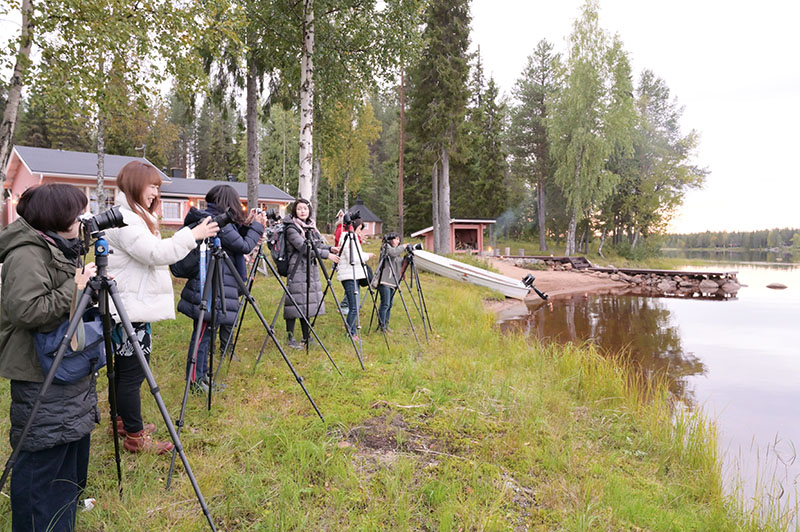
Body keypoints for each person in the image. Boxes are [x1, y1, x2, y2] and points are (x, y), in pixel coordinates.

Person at [0, 184, 98, 531]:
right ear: (56, 217)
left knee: (65, 458)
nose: (81, 219)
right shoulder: (27, 252)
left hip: (62, 364)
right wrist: (77, 286)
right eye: (76, 213)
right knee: (42, 459)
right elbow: (25, 310)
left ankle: (60, 522)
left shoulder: (58, 244)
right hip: (37, 368)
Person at [105, 161, 218, 454]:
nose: (156, 192)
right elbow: (156, 253)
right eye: (152, 185)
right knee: (133, 373)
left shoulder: (130, 215)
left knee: (124, 371)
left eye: (158, 186)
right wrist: (192, 235)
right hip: (129, 307)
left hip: (128, 303)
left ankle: (121, 420)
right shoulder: (126, 220)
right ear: (133, 185)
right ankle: (134, 435)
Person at [177, 184, 265, 393]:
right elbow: (243, 246)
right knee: (202, 335)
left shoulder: (217, 219)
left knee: (207, 334)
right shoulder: (215, 222)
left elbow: (234, 240)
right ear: (228, 202)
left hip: (214, 284)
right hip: (210, 286)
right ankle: (196, 381)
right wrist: (257, 227)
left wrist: (248, 224)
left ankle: (204, 377)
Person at [283, 198, 339, 349]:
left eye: (305, 209)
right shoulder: (291, 228)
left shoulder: (311, 227)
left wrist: (329, 249)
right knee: (294, 303)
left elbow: (317, 244)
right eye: (300, 208)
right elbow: (304, 247)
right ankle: (290, 337)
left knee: (306, 302)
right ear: (295, 210)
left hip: (310, 268)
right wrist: (326, 255)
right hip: (296, 268)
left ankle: (306, 336)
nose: (302, 211)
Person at [336, 219, 374, 340]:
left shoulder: (353, 238)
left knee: (355, 306)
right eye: (359, 229)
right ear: (354, 227)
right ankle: (351, 333)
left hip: (353, 275)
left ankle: (351, 332)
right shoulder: (348, 238)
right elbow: (353, 258)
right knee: (354, 306)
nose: (360, 231)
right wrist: (367, 255)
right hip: (349, 275)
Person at [374, 232, 405, 332]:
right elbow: (392, 253)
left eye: (399, 240)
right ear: (390, 239)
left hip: (393, 282)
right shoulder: (386, 247)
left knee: (390, 305)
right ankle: (381, 326)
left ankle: (386, 326)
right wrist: (404, 246)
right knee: (385, 304)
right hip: (384, 281)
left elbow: (399, 263)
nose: (398, 241)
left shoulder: (397, 252)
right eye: (396, 239)